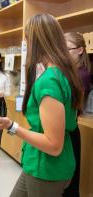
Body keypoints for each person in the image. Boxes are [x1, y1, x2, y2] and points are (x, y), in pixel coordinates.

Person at [0, 14, 83, 197]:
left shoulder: (49, 81)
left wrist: (11, 126)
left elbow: (53, 145)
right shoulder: (62, 72)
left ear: (35, 41)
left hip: (47, 168)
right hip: (42, 163)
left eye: (27, 40)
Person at [63, 32, 92, 197]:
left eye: (68, 49)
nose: (64, 53)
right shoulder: (71, 71)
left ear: (80, 50)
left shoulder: (82, 75)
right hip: (66, 126)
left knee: (70, 180)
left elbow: (73, 104)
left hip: (71, 128)